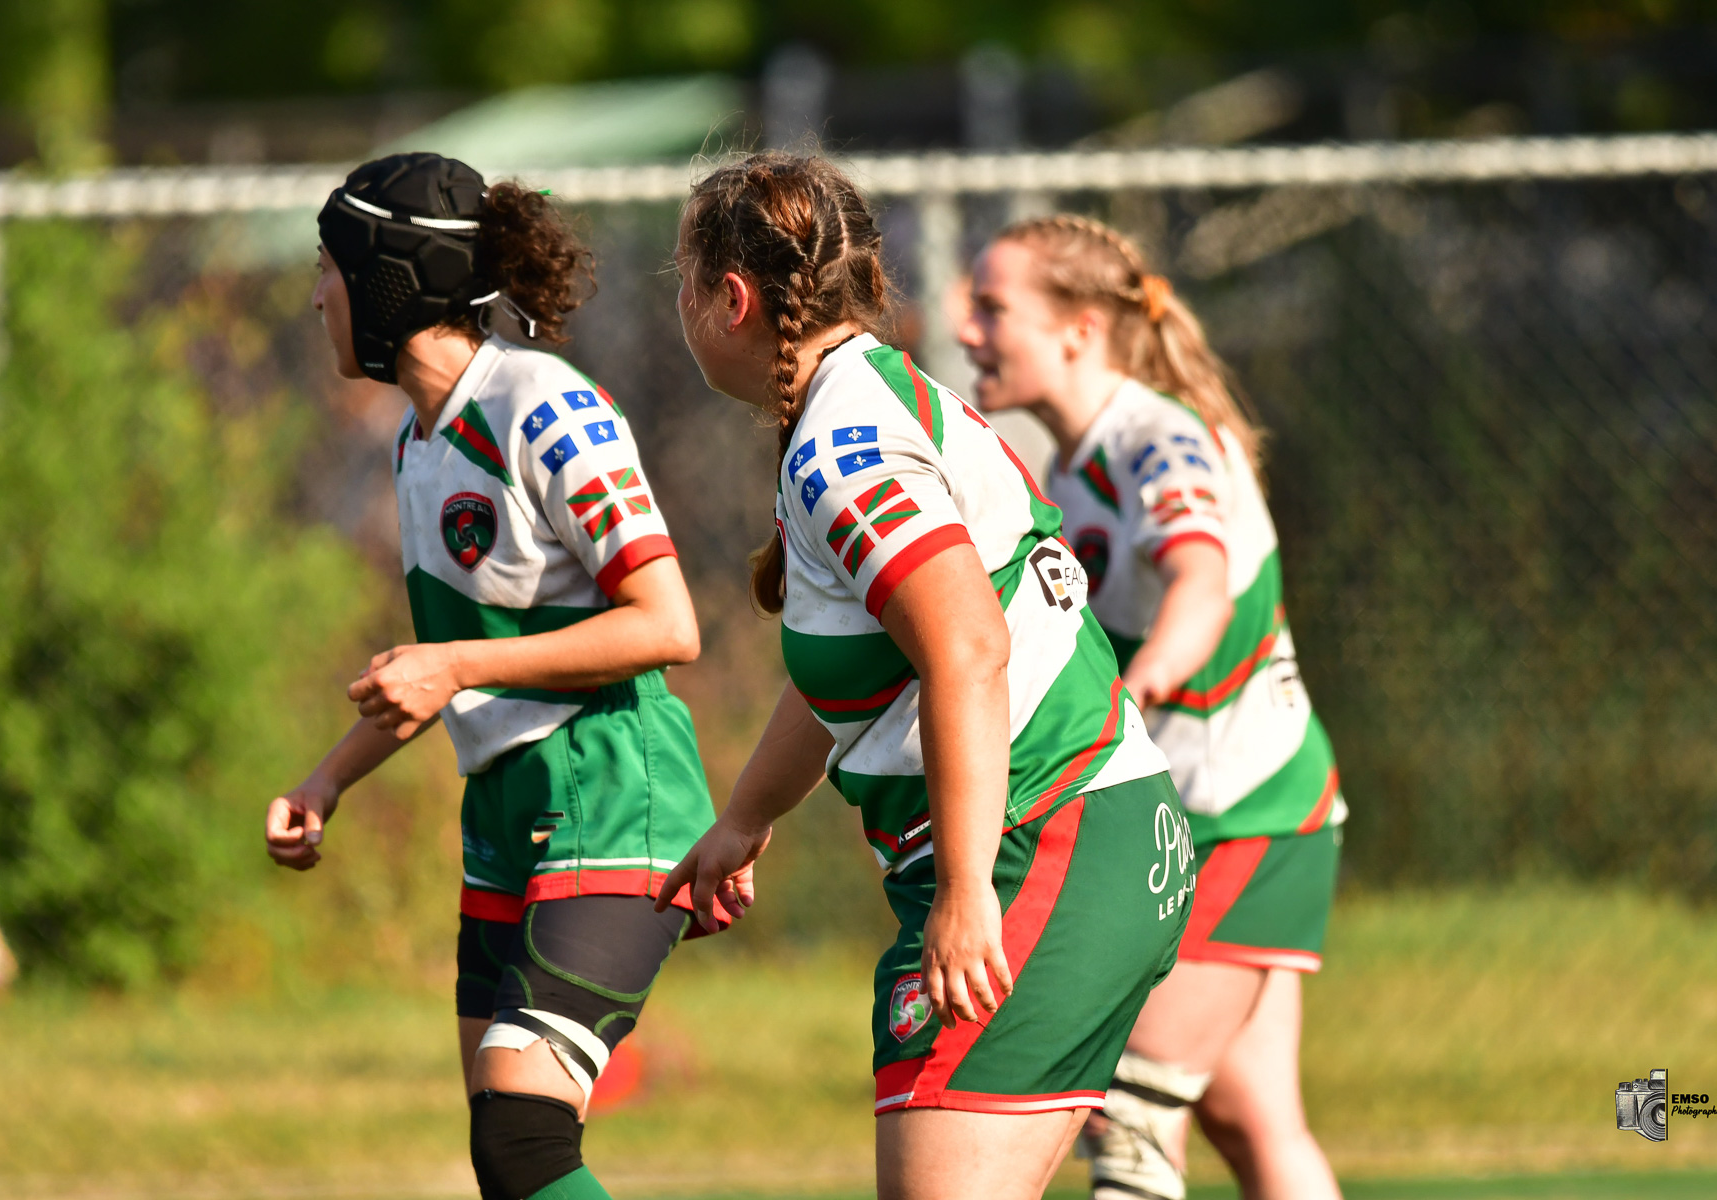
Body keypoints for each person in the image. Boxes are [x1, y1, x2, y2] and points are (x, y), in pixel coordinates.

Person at [656, 153, 1193, 1200]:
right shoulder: (869, 401)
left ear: (735, 299)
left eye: (680, 280)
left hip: (1047, 845)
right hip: (1084, 836)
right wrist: (743, 823)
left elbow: (968, 650)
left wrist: (963, 892)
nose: (676, 307)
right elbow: (850, 679)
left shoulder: (844, 447)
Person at [264, 153, 723, 1200]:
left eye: (329, 268)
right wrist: (326, 782)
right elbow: (448, 672)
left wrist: (455, 663)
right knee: (503, 1153)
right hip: (507, 808)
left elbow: (668, 623)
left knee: (522, 1136)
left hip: (610, 783)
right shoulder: (417, 444)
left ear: (389, 280)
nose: (315, 294)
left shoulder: (541, 402)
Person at [958, 214, 1344, 1200]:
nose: (965, 330)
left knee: (1129, 1109)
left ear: (1079, 329)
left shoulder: (1156, 436)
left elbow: (1201, 582)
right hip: (1220, 815)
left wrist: (1134, 692)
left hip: (1243, 811)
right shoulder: (1076, 466)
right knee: (1253, 1121)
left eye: (994, 308)